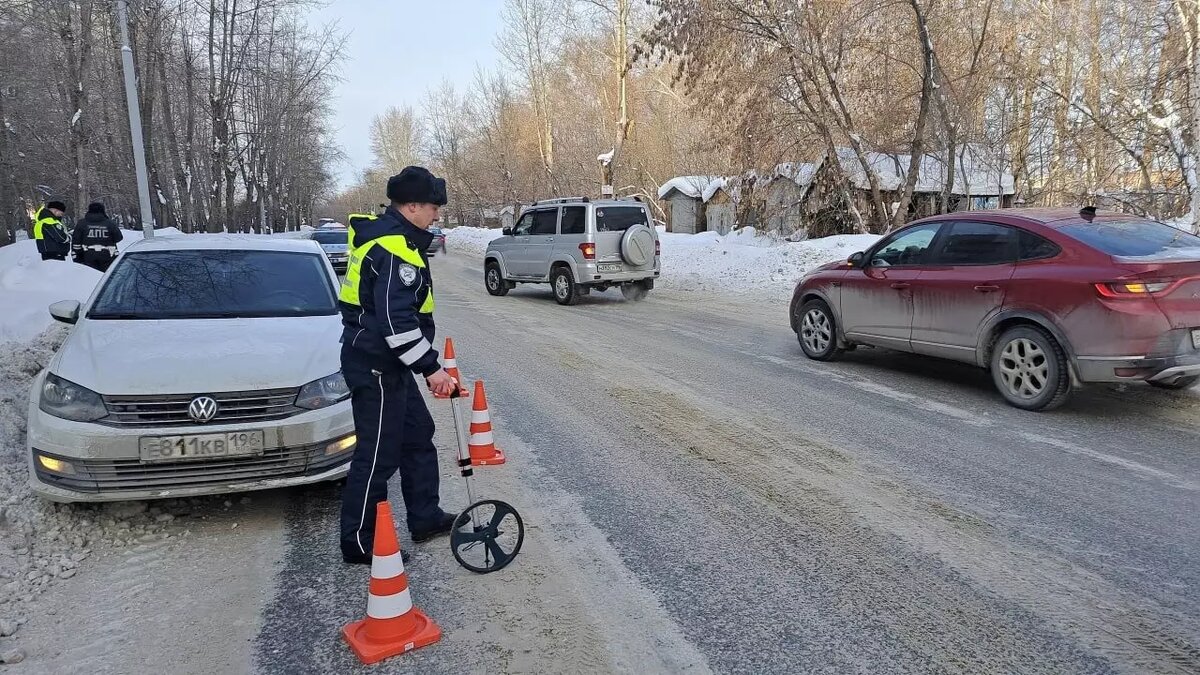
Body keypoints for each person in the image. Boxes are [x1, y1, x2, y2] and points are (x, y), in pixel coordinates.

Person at [337, 166, 457, 565]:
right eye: (432, 207)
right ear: (411, 206)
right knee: (377, 455)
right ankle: (360, 541)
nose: (437, 215)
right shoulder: (393, 250)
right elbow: (395, 322)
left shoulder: (400, 242)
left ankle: (425, 517)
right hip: (376, 365)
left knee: (418, 434)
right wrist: (431, 369)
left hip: (390, 364)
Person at [72, 202, 123, 272]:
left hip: (87, 256)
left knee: (90, 278)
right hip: (108, 256)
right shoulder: (110, 223)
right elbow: (118, 238)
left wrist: (77, 257)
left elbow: (76, 242)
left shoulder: (81, 223)